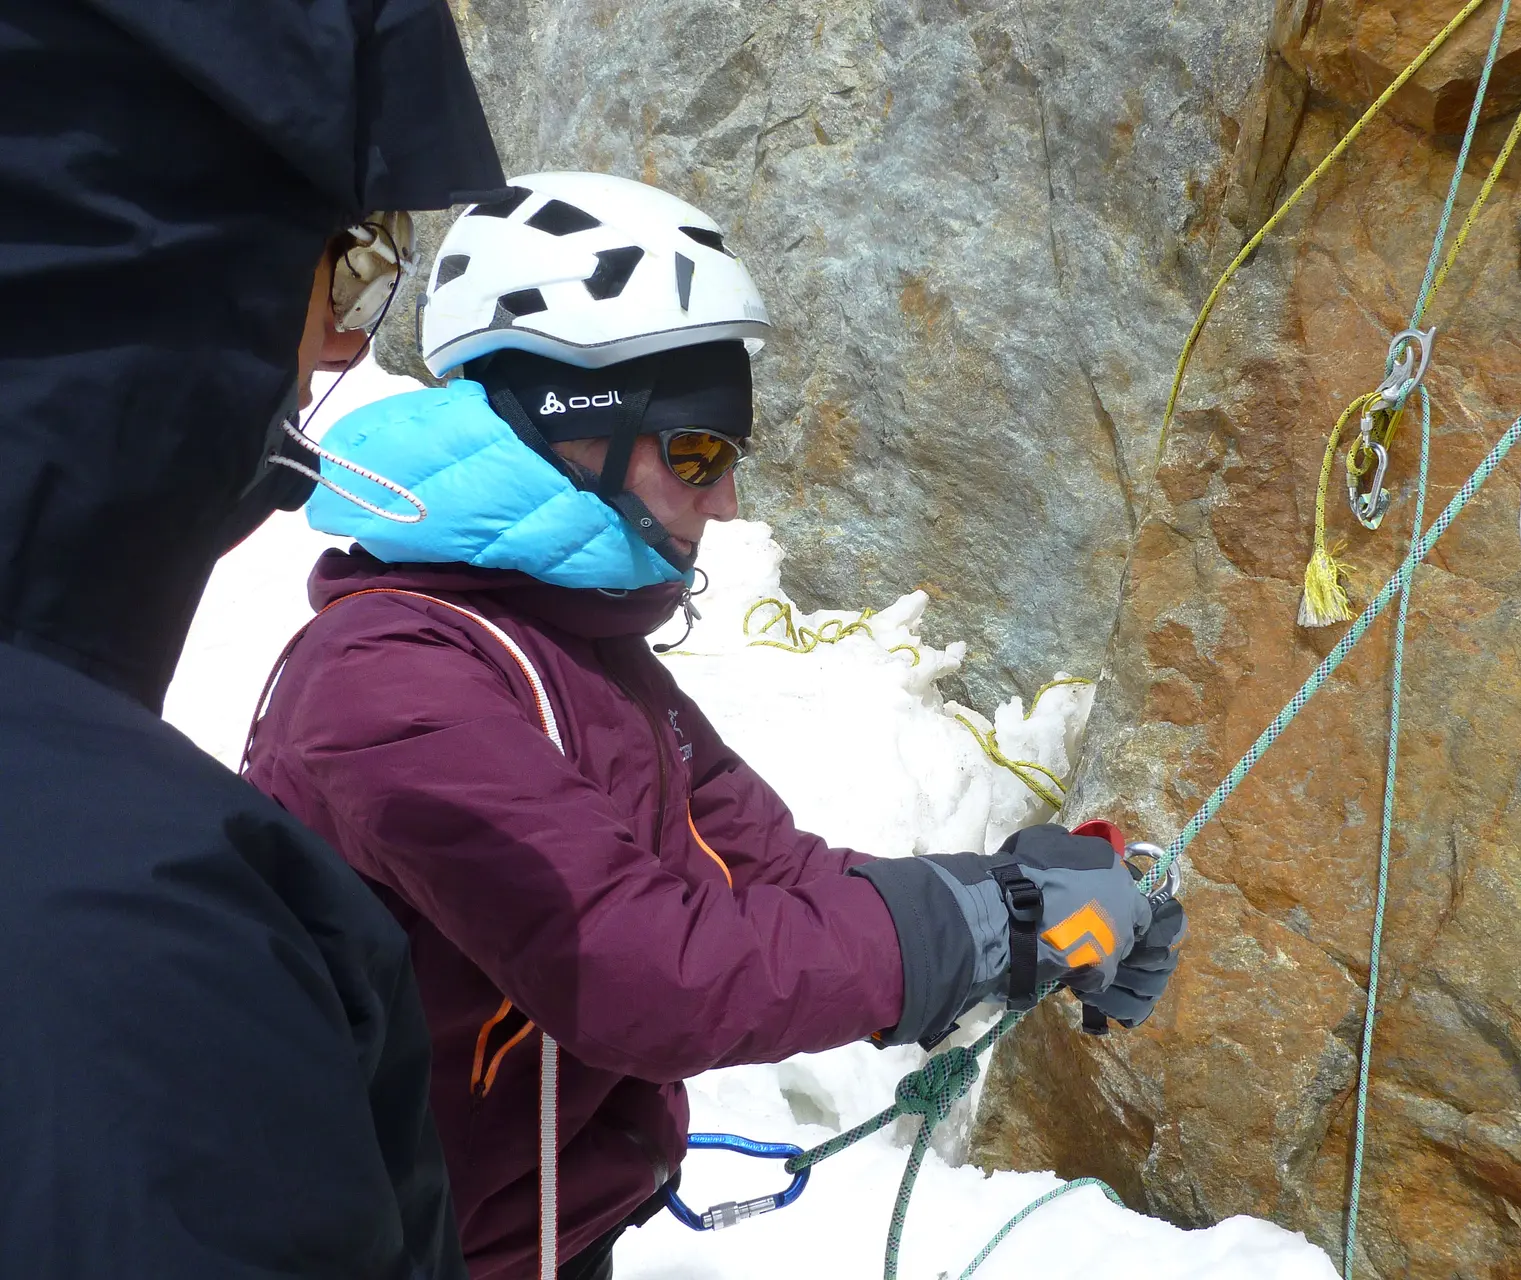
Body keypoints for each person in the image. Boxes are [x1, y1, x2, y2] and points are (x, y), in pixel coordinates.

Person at [241, 172, 1190, 1280]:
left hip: (528, 1243)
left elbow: (770, 880)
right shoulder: (389, 681)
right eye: (698, 452)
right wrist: (988, 922)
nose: (729, 500)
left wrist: (1029, 910)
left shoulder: (577, 654)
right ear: (571, 433)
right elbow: (641, 969)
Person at [0, 2, 505, 1274]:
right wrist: (955, 928)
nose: (344, 340)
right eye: (343, 264)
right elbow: (634, 950)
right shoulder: (140, 963)